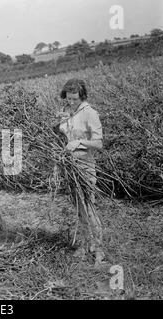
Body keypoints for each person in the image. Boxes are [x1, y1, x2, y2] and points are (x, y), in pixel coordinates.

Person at [55, 78, 106, 268]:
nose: (71, 102)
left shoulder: (89, 113)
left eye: (75, 99)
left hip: (84, 165)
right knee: (78, 208)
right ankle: (86, 245)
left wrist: (79, 143)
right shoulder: (69, 111)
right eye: (68, 99)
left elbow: (99, 143)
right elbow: (65, 136)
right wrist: (60, 124)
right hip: (70, 166)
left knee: (89, 207)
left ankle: (99, 250)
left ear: (82, 96)